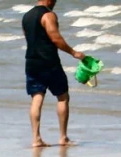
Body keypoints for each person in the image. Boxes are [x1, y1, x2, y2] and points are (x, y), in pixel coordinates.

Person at [22, 0, 85, 147]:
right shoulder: (48, 15)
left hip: (31, 61)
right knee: (62, 97)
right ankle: (63, 137)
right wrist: (73, 52)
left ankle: (36, 139)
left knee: (37, 98)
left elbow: (29, 38)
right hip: (49, 62)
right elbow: (56, 38)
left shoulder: (27, 16)